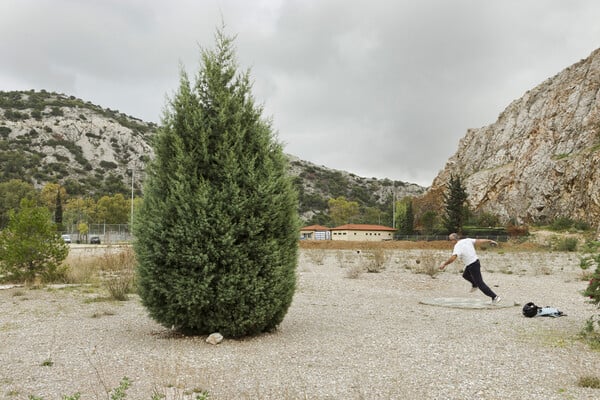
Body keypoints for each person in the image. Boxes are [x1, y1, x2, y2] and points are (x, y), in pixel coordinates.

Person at [439, 233, 501, 304]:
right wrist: (489, 241)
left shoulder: (457, 246)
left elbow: (453, 258)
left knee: (480, 284)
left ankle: (495, 297)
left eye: (450, 240)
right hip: (475, 262)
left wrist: (444, 264)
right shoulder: (467, 240)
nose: (450, 242)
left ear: (454, 240)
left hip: (473, 266)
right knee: (465, 275)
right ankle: (475, 284)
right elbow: (479, 241)